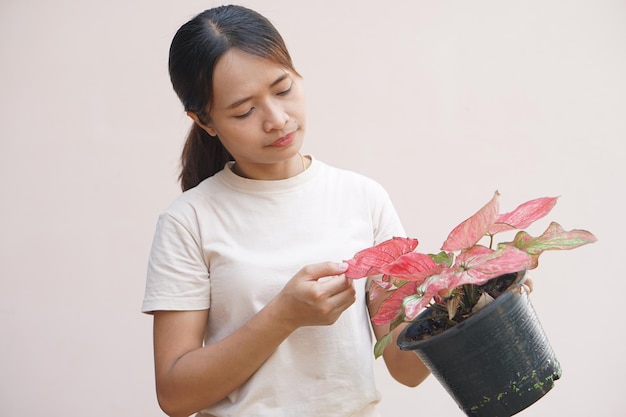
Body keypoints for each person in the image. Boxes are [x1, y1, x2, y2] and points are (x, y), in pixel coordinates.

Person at [142, 5, 429, 417]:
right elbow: (175, 394)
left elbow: (407, 367)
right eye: (244, 110)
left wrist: (471, 307)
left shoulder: (363, 198)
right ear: (204, 121)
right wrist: (283, 316)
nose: (277, 120)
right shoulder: (189, 221)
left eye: (283, 89)